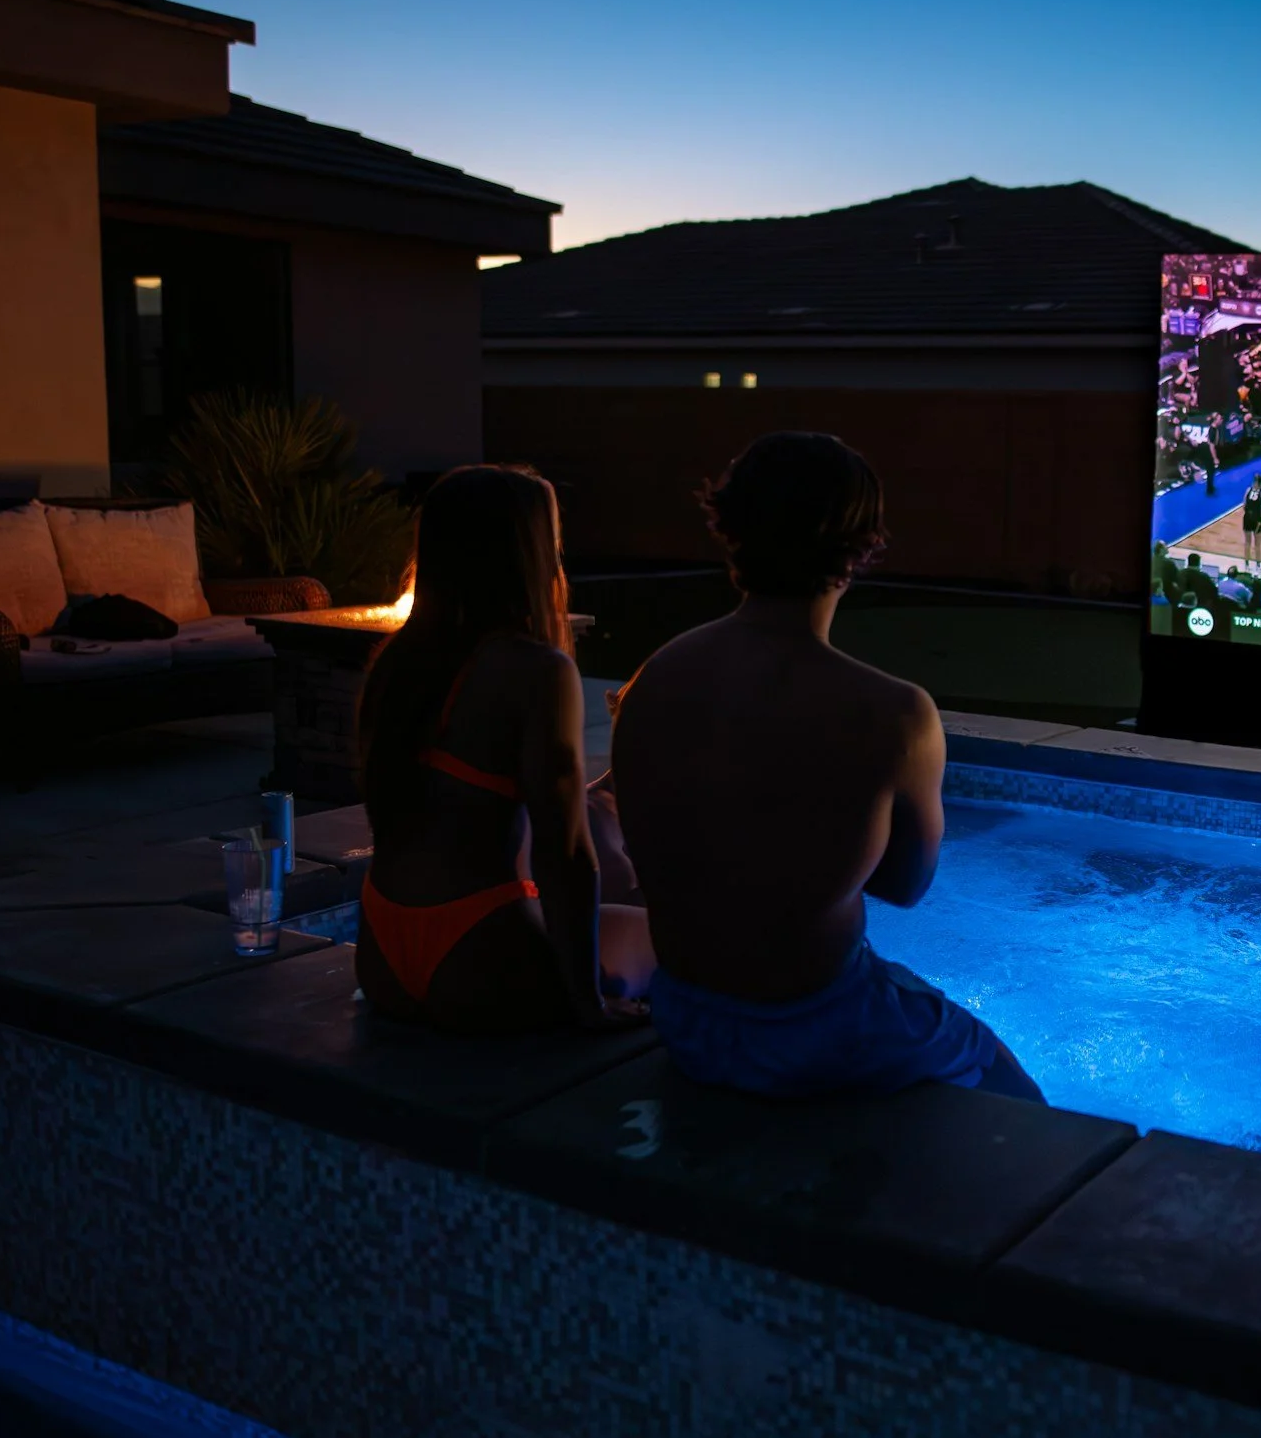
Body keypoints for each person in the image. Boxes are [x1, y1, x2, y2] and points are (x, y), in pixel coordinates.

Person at [611, 432, 1042, 1100]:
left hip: (688, 1019)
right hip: (818, 1028)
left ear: (735, 531)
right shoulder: (895, 714)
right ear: (860, 544)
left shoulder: (653, 681)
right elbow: (905, 885)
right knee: (1022, 1102)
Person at [355, 465, 656, 1034]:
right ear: (528, 554)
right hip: (481, 955)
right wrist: (585, 1001)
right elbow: (564, 854)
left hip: (381, 954)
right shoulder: (538, 671)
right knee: (682, 940)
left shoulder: (394, 665)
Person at [1240, 472, 1261, 565]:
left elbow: (1244, 506)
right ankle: (1258, 565)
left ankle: (1246, 564)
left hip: (1247, 519)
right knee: (1257, 545)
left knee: (1247, 543)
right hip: (1257, 521)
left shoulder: (1248, 490)